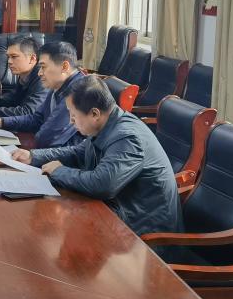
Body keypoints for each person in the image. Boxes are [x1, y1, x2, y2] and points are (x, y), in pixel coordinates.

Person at [12, 76, 181, 237]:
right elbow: (77, 152)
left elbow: (103, 184)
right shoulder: (109, 123)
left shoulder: (127, 137)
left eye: (73, 114)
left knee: (53, 227)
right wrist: (33, 156)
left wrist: (59, 171)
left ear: (94, 114)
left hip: (145, 233)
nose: (70, 121)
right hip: (118, 213)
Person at [0, 40, 85, 148]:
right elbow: (36, 119)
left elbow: (46, 138)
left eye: (43, 67)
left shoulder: (78, 91)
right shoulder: (57, 85)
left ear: (64, 67)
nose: (39, 73)